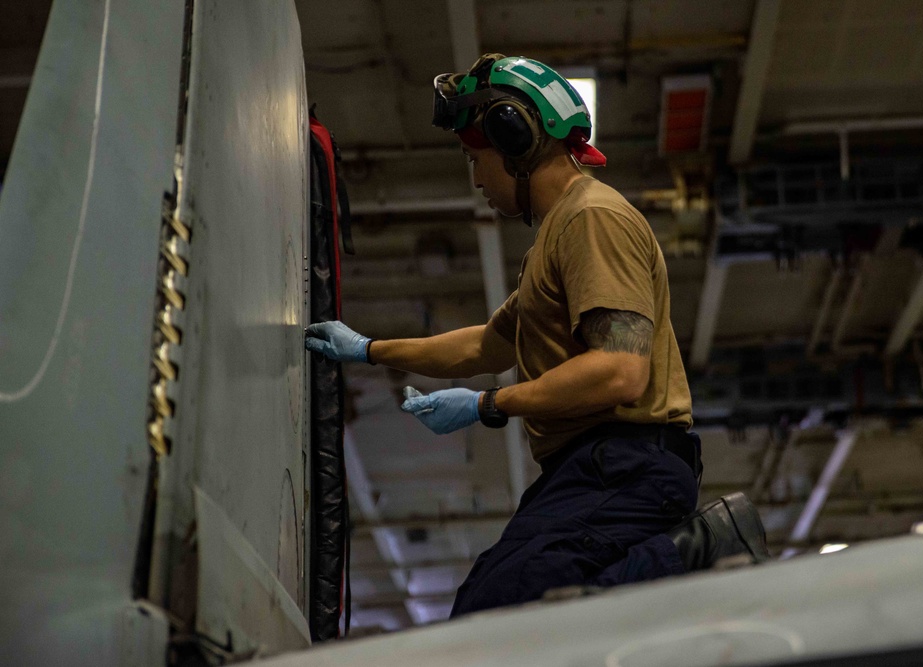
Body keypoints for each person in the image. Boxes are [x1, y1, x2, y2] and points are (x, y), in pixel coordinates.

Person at [306, 53, 768, 618]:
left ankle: (697, 551)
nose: (475, 177)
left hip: (623, 466)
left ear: (515, 140)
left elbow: (620, 370)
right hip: (596, 469)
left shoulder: (592, 219)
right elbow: (484, 346)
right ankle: (675, 563)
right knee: (502, 606)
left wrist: (488, 405)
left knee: (497, 610)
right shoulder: (558, 237)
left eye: (475, 158)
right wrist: (368, 349)